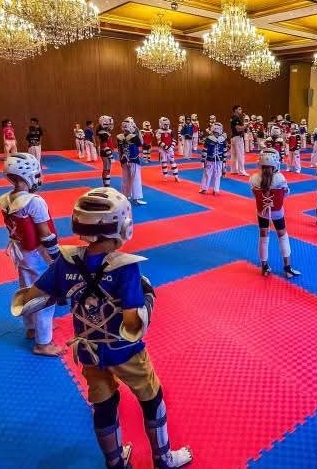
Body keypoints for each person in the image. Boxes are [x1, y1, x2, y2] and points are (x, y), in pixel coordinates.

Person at [10, 188, 193, 468]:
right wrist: (148, 298)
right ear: (120, 227)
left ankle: (115, 462)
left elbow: (31, 297)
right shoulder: (125, 268)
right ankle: (164, 459)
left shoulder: (65, 261)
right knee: (152, 397)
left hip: (89, 352)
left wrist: (66, 290)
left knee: (104, 405)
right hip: (125, 352)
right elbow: (132, 323)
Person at [0, 152, 62, 357]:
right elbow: (45, 233)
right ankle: (43, 343)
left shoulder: (6, 199)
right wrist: (56, 257)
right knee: (44, 295)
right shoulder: (34, 202)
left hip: (21, 252)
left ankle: (32, 328)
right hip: (38, 254)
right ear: (28, 176)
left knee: (27, 290)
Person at [249, 148, 301, 278]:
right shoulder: (280, 178)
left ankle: (265, 267)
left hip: (262, 211)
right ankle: (287, 268)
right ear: (276, 164)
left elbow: (254, 194)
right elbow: (286, 194)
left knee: (263, 236)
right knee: (282, 236)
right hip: (277, 211)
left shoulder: (254, 179)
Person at [118, 117, 147, 206]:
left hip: (124, 160)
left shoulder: (119, 137)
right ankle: (136, 199)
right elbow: (141, 143)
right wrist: (137, 130)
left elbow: (119, 150)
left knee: (125, 179)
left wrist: (121, 160)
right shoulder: (133, 136)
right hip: (134, 159)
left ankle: (125, 197)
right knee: (135, 178)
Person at [199, 122, 228, 195]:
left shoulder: (221, 139)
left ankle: (211, 189)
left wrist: (224, 162)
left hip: (217, 160)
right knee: (210, 174)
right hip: (212, 159)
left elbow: (224, 150)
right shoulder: (210, 139)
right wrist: (203, 161)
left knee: (214, 174)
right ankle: (209, 189)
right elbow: (205, 150)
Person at [155, 117, 180, 182]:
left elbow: (174, 140)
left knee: (173, 162)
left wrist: (172, 147)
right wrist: (166, 147)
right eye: (165, 124)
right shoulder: (159, 131)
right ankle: (165, 176)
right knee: (164, 162)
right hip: (162, 149)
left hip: (170, 149)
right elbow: (159, 141)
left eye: (167, 124)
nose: (166, 126)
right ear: (161, 124)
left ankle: (176, 177)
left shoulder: (170, 131)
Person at [229, 105, 248, 176]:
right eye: (239, 109)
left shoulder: (233, 117)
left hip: (233, 137)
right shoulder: (235, 118)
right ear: (235, 110)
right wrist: (246, 125)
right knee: (240, 154)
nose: (241, 110)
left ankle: (234, 170)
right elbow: (238, 128)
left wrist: (243, 120)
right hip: (238, 137)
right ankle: (241, 171)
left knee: (234, 154)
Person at [97, 116, 116, 188]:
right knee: (106, 169)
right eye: (110, 124)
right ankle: (106, 185)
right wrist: (110, 156)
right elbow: (104, 146)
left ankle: (106, 184)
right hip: (105, 153)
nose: (111, 125)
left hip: (105, 153)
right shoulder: (103, 133)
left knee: (107, 169)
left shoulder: (104, 133)